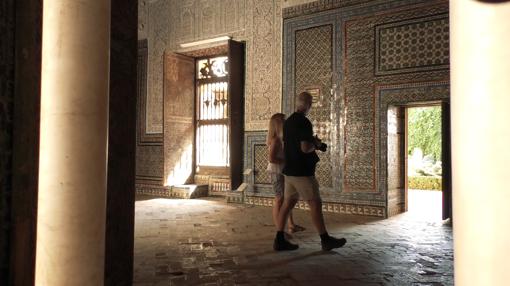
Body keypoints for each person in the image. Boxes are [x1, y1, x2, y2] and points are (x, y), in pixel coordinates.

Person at [273, 91, 347, 251]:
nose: (311, 106)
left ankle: (279, 239)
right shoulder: (304, 122)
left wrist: (312, 142)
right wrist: (317, 145)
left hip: (289, 171)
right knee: (315, 203)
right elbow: (305, 148)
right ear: (308, 105)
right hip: (302, 172)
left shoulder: (288, 122)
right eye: (311, 103)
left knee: (287, 204)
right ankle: (325, 239)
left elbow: (293, 143)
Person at [266, 113, 306, 234]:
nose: (286, 122)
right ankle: (280, 231)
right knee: (279, 199)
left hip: (283, 171)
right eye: (284, 121)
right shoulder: (275, 140)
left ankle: (291, 225)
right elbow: (271, 159)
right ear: (278, 124)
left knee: (287, 198)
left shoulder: (282, 138)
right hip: (276, 172)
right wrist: (287, 160)